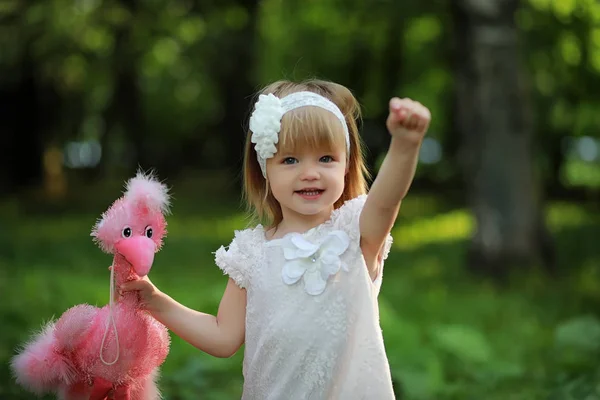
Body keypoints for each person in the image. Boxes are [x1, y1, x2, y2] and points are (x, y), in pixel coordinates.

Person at [120, 79, 431, 399]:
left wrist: (405, 146)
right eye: (290, 160)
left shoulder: (355, 233)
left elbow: (386, 200)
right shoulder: (252, 253)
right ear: (264, 169)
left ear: (346, 166)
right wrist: (155, 301)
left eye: (325, 158)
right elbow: (223, 337)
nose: (310, 172)